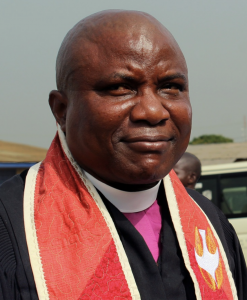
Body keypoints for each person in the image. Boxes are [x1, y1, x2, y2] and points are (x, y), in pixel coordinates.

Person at [0, 10, 246, 300]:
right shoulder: (12, 227)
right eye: (120, 88)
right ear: (61, 110)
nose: (153, 112)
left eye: (171, 87)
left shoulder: (210, 223)